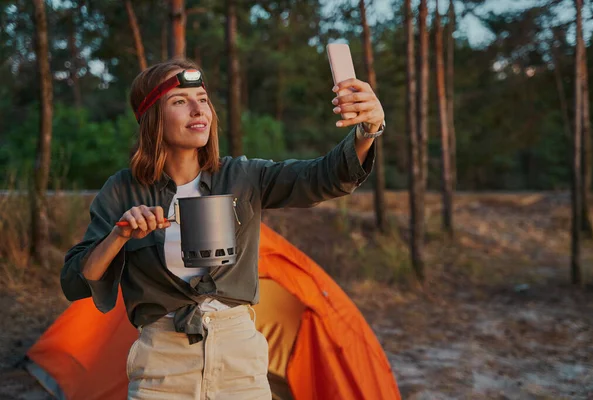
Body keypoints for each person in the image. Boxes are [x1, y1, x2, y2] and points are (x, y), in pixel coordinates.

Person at [60, 58, 385, 400]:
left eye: (202, 98)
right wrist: (120, 233)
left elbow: (325, 176)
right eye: (180, 101)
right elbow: (75, 281)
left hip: (239, 360)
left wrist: (367, 130)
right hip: (162, 364)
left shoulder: (243, 177)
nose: (198, 110)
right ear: (152, 118)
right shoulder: (122, 190)